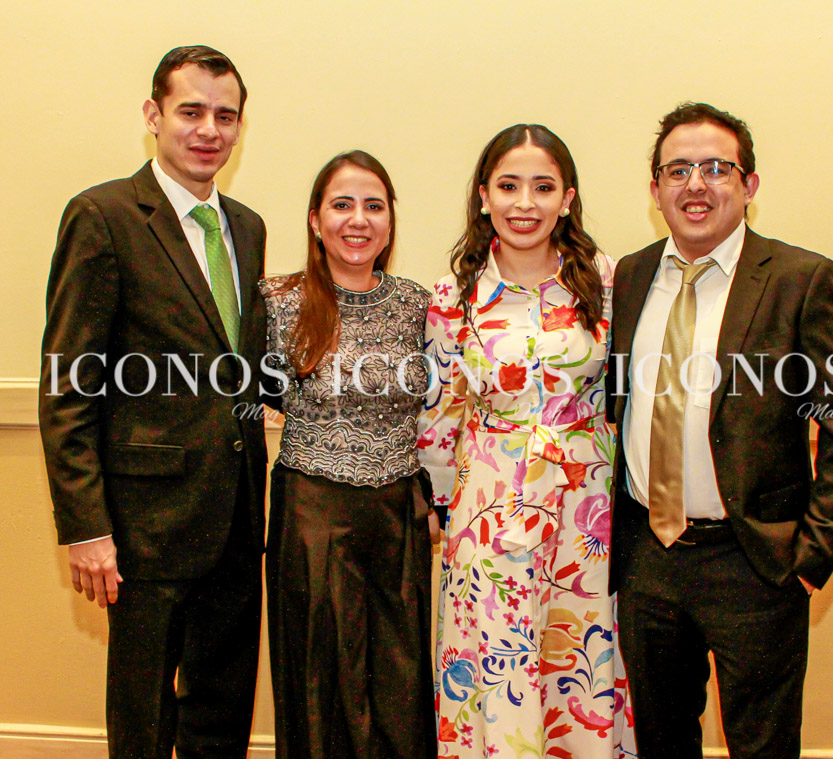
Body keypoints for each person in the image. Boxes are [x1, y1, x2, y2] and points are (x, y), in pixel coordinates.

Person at [607, 102, 833, 758]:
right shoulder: (632, 276)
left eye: (716, 168)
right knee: (661, 741)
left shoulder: (799, 279)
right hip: (648, 556)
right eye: (678, 170)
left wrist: (811, 556)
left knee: (762, 745)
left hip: (752, 561)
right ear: (655, 189)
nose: (696, 184)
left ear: (749, 186)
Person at [38, 46, 268, 758]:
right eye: (190, 111)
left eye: (225, 116)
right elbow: (67, 380)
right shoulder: (103, 216)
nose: (209, 130)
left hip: (234, 512)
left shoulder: (248, 227)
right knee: (142, 714)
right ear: (153, 116)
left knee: (221, 706)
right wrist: (85, 524)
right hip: (144, 524)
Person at [419, 124, 635, 759]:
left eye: (542, 187)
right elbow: (438, 417)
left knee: (582, 660)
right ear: (483, 195)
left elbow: (631, 395)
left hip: (586, 513)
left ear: (567, 198)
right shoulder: (453, 297)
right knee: (498, 661)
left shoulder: (608, 283)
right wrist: (437, 505)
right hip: (490, 512)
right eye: (508, 186)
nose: (524, 203)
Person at [260, 150, 437, 759]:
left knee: (399, 672)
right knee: (318, 675)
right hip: (312, 515)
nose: (357, 220)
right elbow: (245, 396)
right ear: (315, 220)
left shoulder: (420, 304)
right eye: (341, 205)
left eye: (373, 206)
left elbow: (448, 408)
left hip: (398, 516)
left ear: (390, 220)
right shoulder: (279, 302)